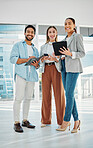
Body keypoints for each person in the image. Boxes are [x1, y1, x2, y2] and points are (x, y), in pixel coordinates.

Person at [56, 18, 85, 133]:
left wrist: (70, 53)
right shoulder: (64, 40)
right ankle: (77, 121)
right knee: (69, 94)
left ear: (74, 25)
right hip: (64, 67)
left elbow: (82, 53)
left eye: (69, 24)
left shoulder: (77, 37)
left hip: (73, 68)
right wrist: (59, 56)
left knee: (68, 94)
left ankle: (66, 120)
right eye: (65, 24)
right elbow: (63, 55)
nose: (67, 26)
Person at [10, 25, 40, 133]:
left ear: (34, 34)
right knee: (19, 98)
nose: (30, 34)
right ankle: (16, 122)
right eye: (28, 32)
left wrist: (36, 64)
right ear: (24, 33)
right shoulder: (18, 45)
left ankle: (25, 120)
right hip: (21, 75)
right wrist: (27, 60)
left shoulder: (35, 49)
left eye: (32, 32)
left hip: (31, 76)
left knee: (28, 99)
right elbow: (13, 59)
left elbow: (38, 65)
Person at [40, 26, 65, 128]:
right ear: (47, 34)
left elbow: (62, 60)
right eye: (50, 32)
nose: (51, 34)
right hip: (45, 70)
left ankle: (61, 121)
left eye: (53, 32)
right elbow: (40, 60)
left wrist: (54, 58)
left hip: (56, 70)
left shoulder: (59, 45)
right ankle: (45, 120)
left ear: (56, 33)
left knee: (59, 95)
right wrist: (43, 59)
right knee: (46, 95)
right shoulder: (43, 47)